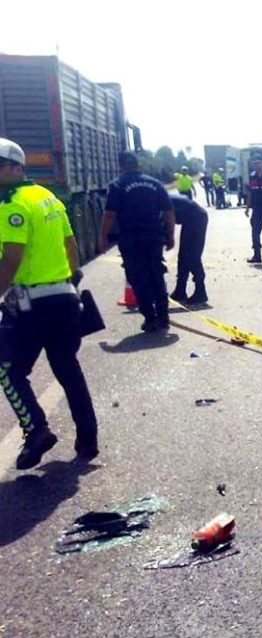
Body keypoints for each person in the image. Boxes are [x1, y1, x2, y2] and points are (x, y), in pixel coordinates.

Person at [0, 137, 99, 468]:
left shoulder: (11, 204)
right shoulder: (49, 198)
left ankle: (37, 430)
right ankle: (88, 442)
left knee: (9, 370)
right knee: (68, 370)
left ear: (16, 167)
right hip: (63, 300)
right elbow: (71, 247)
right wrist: (69, 282)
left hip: (31, 307)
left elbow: (10, 260)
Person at [100, 151, 176, 333]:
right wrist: (170, 235)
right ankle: (163, 317)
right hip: (154, 237)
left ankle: (150, 317)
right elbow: (169, 212)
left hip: (131, 239)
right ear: (138, 165)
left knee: (137, 277)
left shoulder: (117, 185)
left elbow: (110, 214)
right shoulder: (155, 184)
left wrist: (102, 237)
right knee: (156, 274)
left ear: (120, 166)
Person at [168, 194, 209, 304]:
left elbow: (166, 220)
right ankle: (180, 290)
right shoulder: (156, 195)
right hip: (190, 218)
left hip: (196, 217)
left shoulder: (155, 200)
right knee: (183, 256)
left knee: (192, 256)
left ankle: (201, 291)